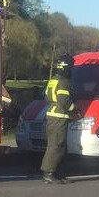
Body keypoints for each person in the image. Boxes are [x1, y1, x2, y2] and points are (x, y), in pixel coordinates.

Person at [40, 55, 76, 185]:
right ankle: (49, 173)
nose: (72, 70)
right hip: (59, 118)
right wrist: (75, 111)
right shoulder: (64, 82)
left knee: (58, 145)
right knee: (56, 145)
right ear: (66, 68)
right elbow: (64, 100)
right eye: (71, 67)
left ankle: (56, 172)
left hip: (53, 116)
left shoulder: (53, 80)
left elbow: (46, 96)